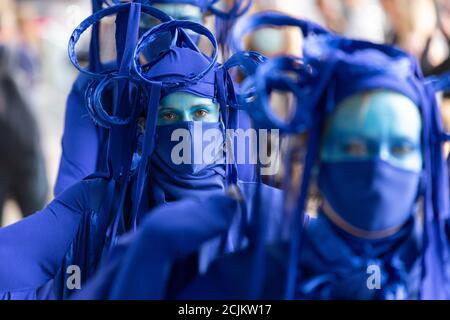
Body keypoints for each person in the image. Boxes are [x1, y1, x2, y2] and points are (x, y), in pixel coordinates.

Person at [109, 33, 450, 300]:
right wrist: (144, 267)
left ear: (428, 160)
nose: (379, 166)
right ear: (314, 159)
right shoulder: (246, 282)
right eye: (353, 146)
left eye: (402, 147)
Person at [0, 3, 280, 300]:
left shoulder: (263, 208)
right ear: (144, 126)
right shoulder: (97, 204)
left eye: (200, 114)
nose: (187, 130)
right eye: (169, 116)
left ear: (223, 122)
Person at [55, 0, 252, 196]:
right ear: (136, 20)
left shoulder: (228, 93)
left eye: (185, 19)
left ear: (205, 20)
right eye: (154, 21)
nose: (171, 33)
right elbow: (72, 181)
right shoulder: (100, 89)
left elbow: (244, 185)